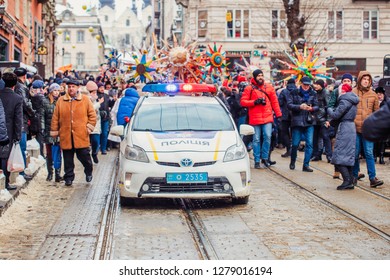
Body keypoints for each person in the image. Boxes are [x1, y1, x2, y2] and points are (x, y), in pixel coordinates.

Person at [50, 79, 97, 186]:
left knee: (85, 157)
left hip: (81, 135)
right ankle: (69, 177)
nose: (71, 88)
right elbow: (55, 117)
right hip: (66, 135)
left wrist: (88, 128)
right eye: (69, 86)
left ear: (78, 88)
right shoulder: (61, 101)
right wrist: (55, 131)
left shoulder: (85, 100)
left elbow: (92, 116)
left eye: (73, 86)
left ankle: (88, 171)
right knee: (68, 159)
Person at [240, 69, 282, 168]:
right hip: (255, 118)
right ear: (254, 77)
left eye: (261, 75)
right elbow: (243, 102)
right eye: (258, 75)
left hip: (267, 117)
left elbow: (275, 102)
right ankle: (257, 160)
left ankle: (265, 158)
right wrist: (254, 102)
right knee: (256, 139)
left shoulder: (269, 88)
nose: (260, 77)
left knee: (268, 136)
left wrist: (279, 114)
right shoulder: (249, 88)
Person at [352, 71, 383, 188]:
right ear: (360, 80)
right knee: (355, 154)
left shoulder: (373, 95)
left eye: (368, 80)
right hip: (354, 128)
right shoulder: (353, 92)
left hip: (367, 129)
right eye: (364, 79)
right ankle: (354, 176)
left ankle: (372, 178)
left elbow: (377, 112)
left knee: (369, 153)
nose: (366, 81)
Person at [327, 84, 359, 190]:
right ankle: (349, 180)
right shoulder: (353, 100)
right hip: (351, 128)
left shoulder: (344, 100)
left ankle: (346, 181)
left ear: (343, 91)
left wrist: (329, 109)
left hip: (345, 128)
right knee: (347, 155)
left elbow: (336, 115)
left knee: (339, 155)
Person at [287, 76, 319, 172]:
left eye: (308, 85)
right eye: (305, 85)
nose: (306, 87)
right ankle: (293, 161)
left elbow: (318, 106)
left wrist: (312, 108)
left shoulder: (313, 93)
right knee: (295, 144)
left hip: (309, 121)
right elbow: (289, 105)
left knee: (309, 144)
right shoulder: (294, 92)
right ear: (301, 84)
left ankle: (306, 165)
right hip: (297, 121)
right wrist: (299, 107)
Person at [0, 72, 23, 190]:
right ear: (15, 85)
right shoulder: (17, 98)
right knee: (5, 158)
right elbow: (18, 119)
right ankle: (4, 183)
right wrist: (17, 136)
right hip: (9, 132)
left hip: (1, 129)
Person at [328, 73, 353, 179]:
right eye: (345, 80)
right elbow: (331, 105)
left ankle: (352, 171)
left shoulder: (353, 92)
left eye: (348, 81)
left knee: (350, 148)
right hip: (338, 121)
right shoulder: (336, 92)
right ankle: (337, 170)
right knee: (337, 146)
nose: (346, 82)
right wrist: (332, 116)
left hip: (349, 123)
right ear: (342, 82)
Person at [14, 67, 35, 179]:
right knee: (21, 146)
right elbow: (25, 103)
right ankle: (21, 173)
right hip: (21, 121)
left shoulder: (16, 86)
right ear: (24, 76)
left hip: (18, 120)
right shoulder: (21, 87)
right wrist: (32, 112)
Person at [42, 83, 63, 182]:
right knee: (49, 153)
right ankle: (50, 173)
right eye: (55, 90)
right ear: (51, 91)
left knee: (58, 152)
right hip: (48, 130)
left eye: (58, 90)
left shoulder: (61, 101)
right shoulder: (45, 101)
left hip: (59, 131)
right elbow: (42, 116)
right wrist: (42, 129)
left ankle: (58, 173)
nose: (56, 92)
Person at [311, 79, 332, 162]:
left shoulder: (325, 93)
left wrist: (328, 120)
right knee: (315, 138)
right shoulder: (315, 93)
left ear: (321, 85)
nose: (315, 86)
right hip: (316, 118)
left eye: (317, 84)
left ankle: (329, 156)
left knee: (325, 137)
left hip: (323, 119)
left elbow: (329, 106)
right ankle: (317, 155)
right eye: (315, 84)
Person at [278, 78, 296, 157]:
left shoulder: (284, 91)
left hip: (285, 115)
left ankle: (288, 149)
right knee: (294, 132)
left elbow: (280, 103)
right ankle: (294, 150)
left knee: (284, 132)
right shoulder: (298, 91)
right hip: (295, 115)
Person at [86, 81, 102, 164]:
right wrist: (99, 103)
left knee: (95, 141)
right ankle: (88, 158)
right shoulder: (87, 99)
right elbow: (90, 109)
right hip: (88, 124)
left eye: (96, 92)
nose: (95, 94)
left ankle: (94, 153)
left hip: (96, 124)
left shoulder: (95, 100)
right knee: (87, 143)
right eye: (94, 92)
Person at [372, 87, 388, 164]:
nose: (379, 96)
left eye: (381, 94)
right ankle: (375, 155)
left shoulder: (386, 103)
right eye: (377, 94)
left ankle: (381, 156)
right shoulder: (373, 102)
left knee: (383, 139)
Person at [97, 82, 111, 154]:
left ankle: (103, 149)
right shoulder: (96, 96)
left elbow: (110, 104)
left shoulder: (106, 96)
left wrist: (113, 101)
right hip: (98, 118)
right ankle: (96, 148)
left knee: (105, 134)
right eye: (100, 87)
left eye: (103, 87)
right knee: (98, 133)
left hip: (106, 118)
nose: (102, 89)